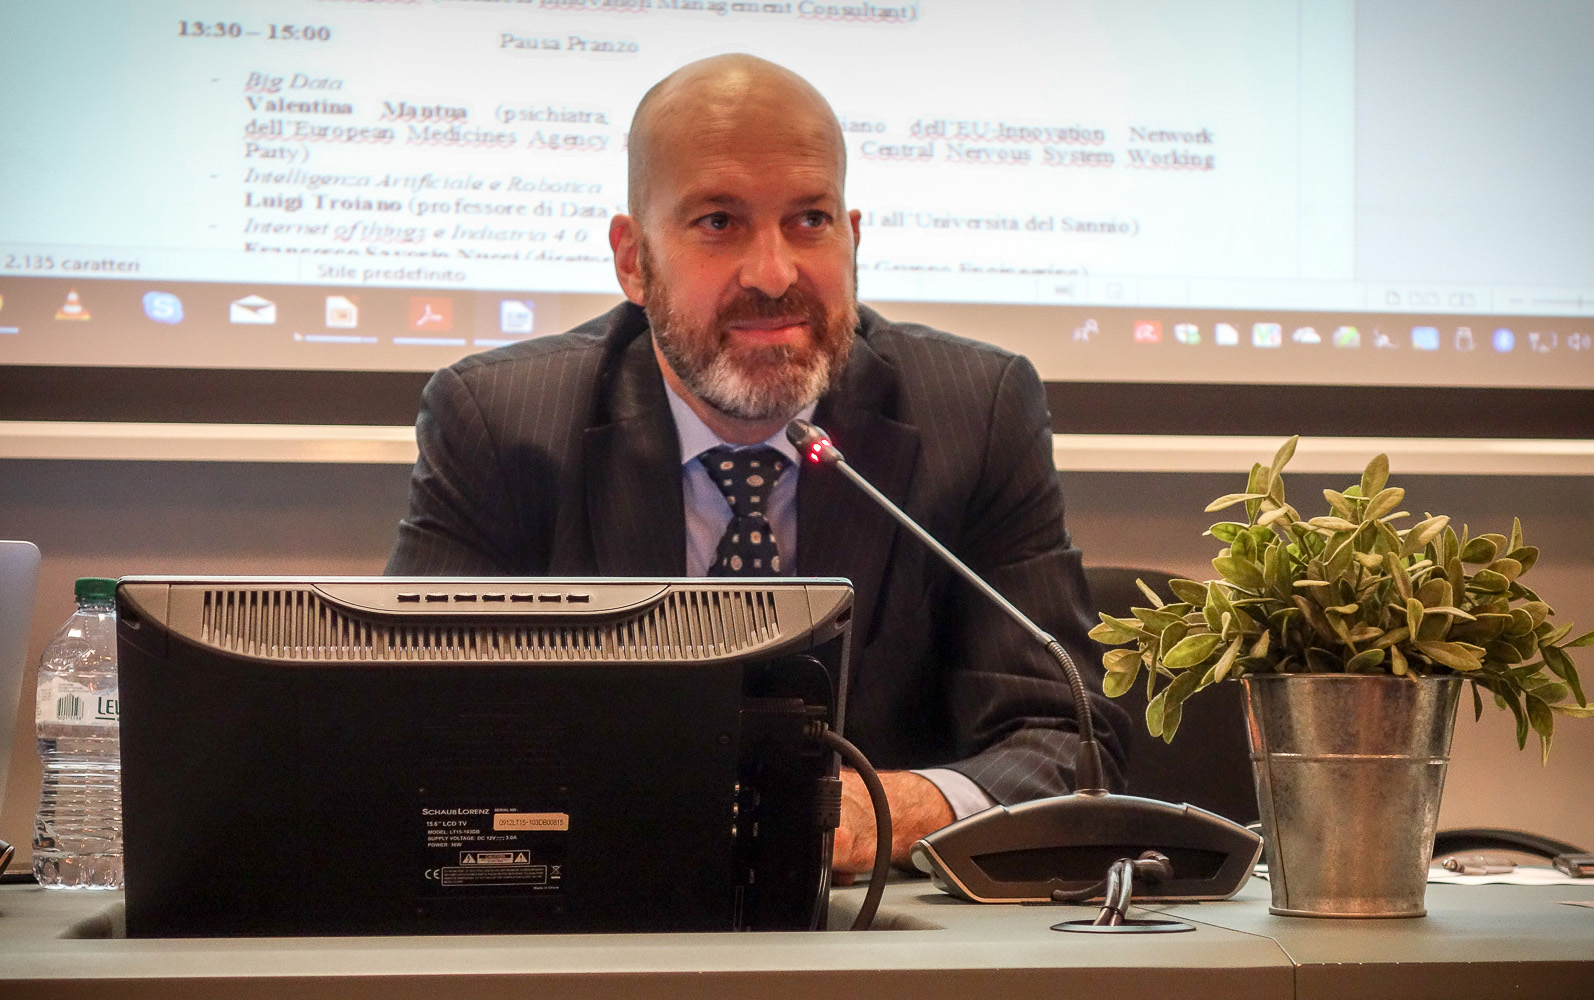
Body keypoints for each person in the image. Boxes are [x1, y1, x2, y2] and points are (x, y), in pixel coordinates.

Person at [385, 54, 1130, 878]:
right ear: (633, 260)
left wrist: (881, 810)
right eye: (718, 222)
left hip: (879, 925)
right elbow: (404, 731)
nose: (774, 275)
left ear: (852, 238)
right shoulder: (501, 424)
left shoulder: (977, 412)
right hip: (594, 906)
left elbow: (1065, 740)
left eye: (809, 220)